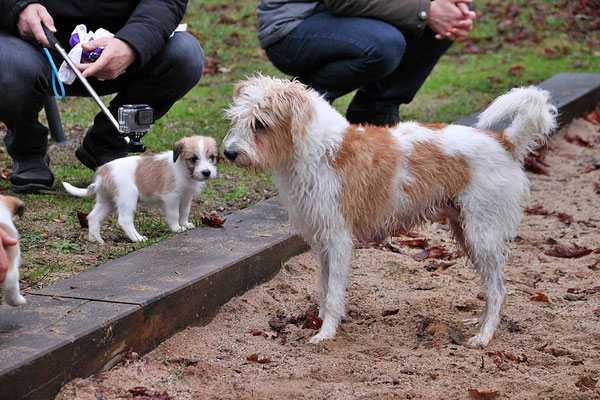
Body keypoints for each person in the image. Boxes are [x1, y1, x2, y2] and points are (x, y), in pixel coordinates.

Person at [0, 0, 204, 193]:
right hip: (33, 44)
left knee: (185, 55)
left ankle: (109, 142)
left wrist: (131, 43)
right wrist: (18, 6)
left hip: (122, 42)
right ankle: (27, 150)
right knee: (6, 63)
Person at [257, 0, 476, 127]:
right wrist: (426, 11)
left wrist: (451, 7)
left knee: (449, 9)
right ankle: (294, 105)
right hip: (293, 28)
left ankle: (375, 110)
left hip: (352, 18)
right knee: (384, 45)